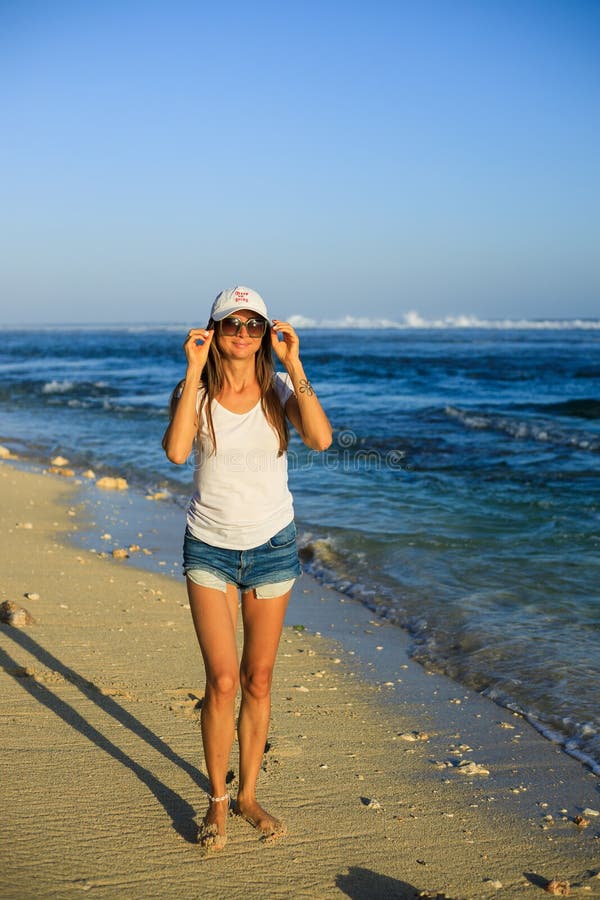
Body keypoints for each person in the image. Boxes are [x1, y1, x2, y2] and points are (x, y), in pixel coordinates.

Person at [162, 286, 332, 850]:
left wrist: (296, 362)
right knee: (223, 679)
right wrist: (192, 369)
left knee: (258, 680)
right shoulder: (195, 391)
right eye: (231, 324)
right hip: (208, 547)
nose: (242, 333)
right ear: (212, 330)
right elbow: (178, 452)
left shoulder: (279, 390)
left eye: (253, 325)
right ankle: (216, 800)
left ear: (265, 333)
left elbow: (322, 438)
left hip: (272, 548)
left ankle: (248, 795)